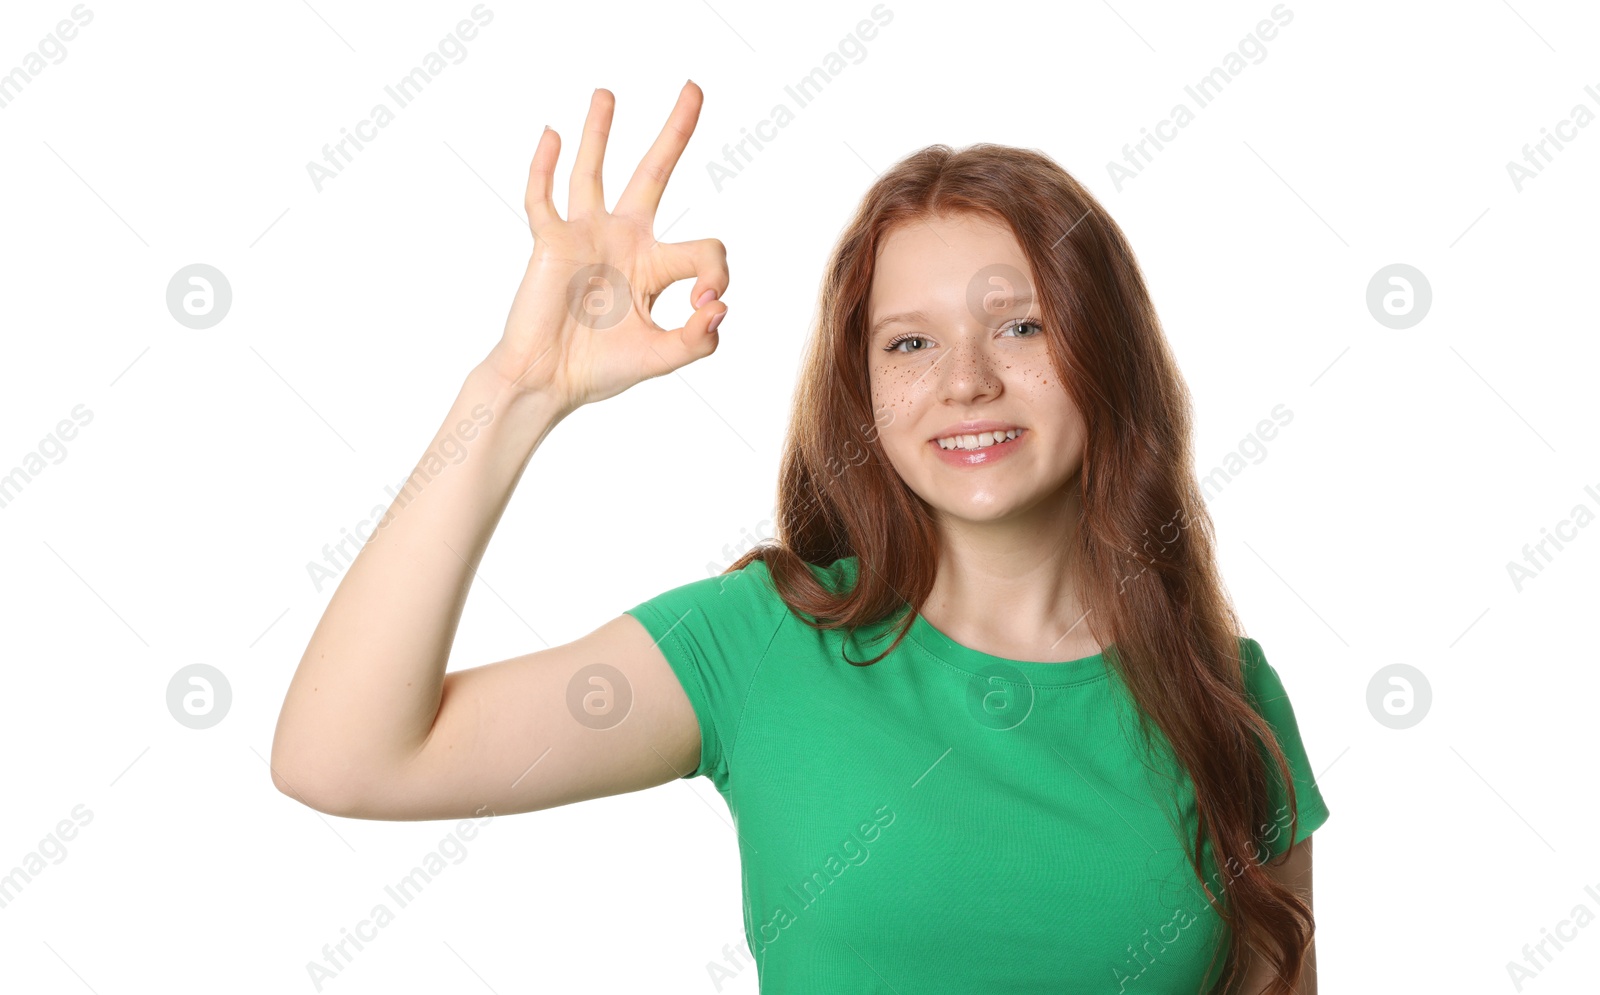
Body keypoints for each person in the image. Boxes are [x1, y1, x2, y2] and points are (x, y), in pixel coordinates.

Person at [271, 80, 1328, 994]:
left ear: (1107, 352)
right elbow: (345, 756)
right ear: (862, 391)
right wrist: (513, 392)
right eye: (909, 341)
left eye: (1020, 324)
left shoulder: (1225, 701)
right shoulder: (768, 642)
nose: (965, 379)